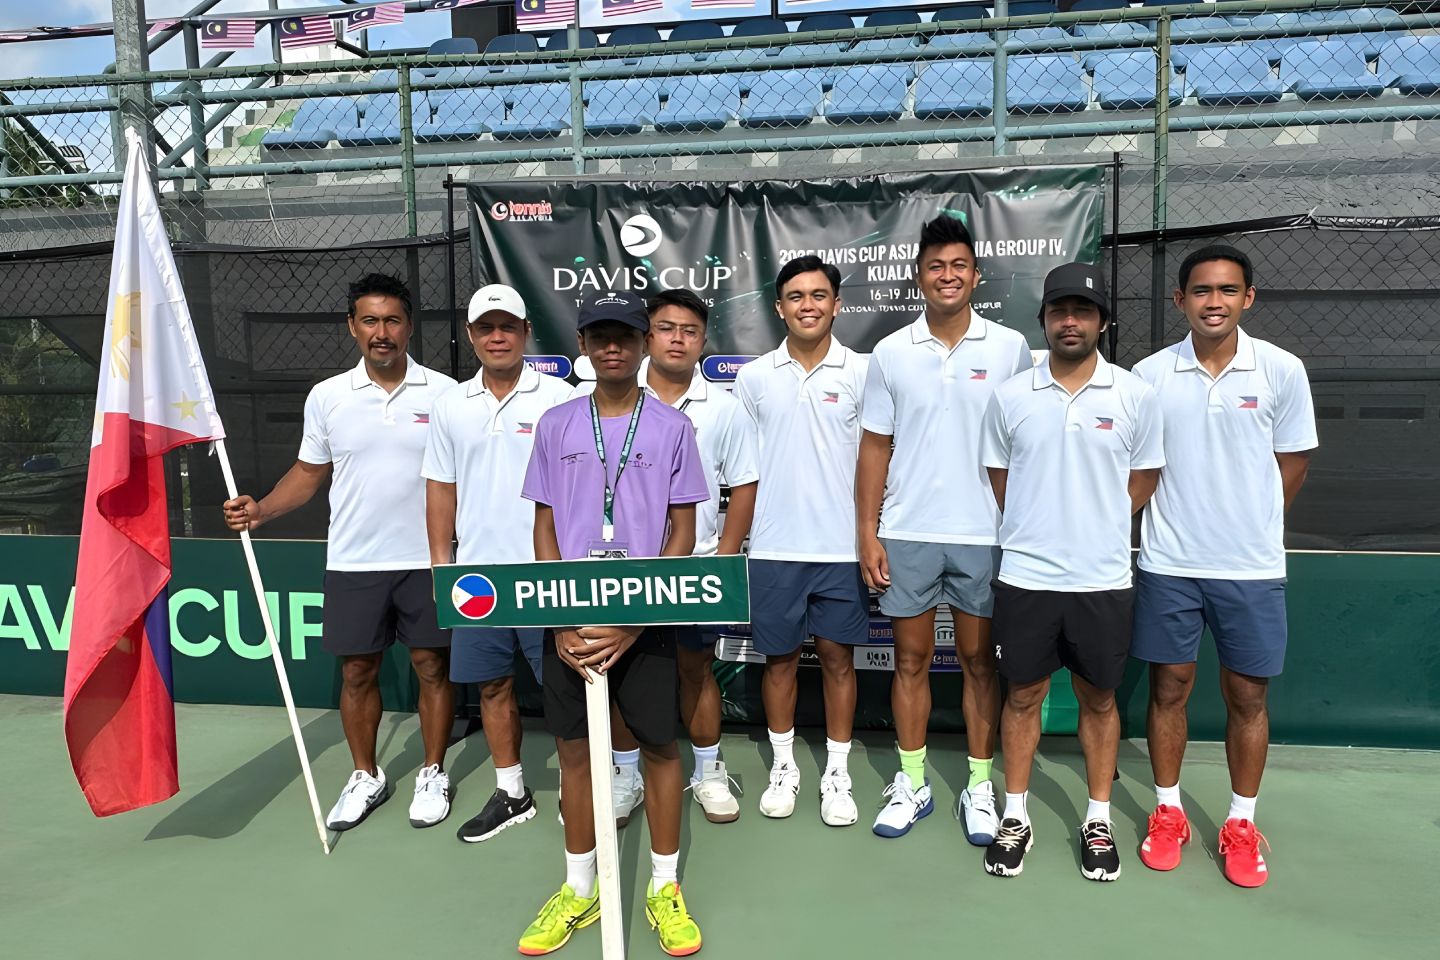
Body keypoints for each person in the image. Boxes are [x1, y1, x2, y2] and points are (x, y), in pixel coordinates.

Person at [222, 273, 458, 831]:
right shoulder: (327, 396)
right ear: (353, 327)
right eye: (370, 320)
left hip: (429, 560)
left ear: (410, 327)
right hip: (354, 561)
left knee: (432, 666)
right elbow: (308, 473)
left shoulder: (446, 393)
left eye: (393, 320)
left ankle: (432, 772)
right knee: (357, 673)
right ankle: (366, 775)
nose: (382, 332)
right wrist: (262, 510)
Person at [516, 291, 708, 958]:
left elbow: (682, 533)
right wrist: (561, 616)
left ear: (644, 342)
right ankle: (579, 888)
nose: (613, 347)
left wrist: (634, 620)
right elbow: (544, 526)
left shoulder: (673, 428)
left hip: (644, 620)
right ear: (583, 344)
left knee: (659, 748)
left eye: (625, 335)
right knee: (574, 752)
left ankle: (664, 886)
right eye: (600, 336)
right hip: (569, 622)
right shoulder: (556, 424)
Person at [1131, 245, 1317, 888]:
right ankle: (1168, 812)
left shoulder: (1282, 370)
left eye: (1228, 290)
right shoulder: (1149, 375)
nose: (1215, 302)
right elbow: (1140, 466)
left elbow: (1293, 462)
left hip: (1251, 569)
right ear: (1180, 300)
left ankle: (1241, 822)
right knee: (1169, 688)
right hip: (1168, 564)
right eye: (1202, 291)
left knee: (1247, 697)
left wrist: (1251, 523)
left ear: (1248, 298)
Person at [978, 262, 1164, 881]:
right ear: (1044, 320)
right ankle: (1015, 816)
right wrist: (1041, 526)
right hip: (1026, 577)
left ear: (1102, 321)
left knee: (1099, 699)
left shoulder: (1135, 395)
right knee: (1022, 696)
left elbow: (1144, 476)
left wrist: (1096, 522)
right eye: (1059, 310)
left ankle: (1098, 819)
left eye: (1083, 311)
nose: (1070, 321)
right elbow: (1000, 476)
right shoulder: (1010, 396)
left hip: (1101, 579)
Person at [858, 215, 1033, 841]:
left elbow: (1026, 442)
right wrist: (868, 532)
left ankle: (980, 787)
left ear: (976, 275)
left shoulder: (1010, 347)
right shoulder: (891, 352)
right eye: (936, 266)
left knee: (980, 663)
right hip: (908, 531)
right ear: (919, 277)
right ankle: (913, 782)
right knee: (909, 659)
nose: (948, 275)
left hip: (986, 534)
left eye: (959, 265)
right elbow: (874, 447)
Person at [578, 289, 759, 827]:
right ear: (646, 337)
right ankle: (626, 776)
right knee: (619, 670)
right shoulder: (603, 402)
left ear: (703, 341)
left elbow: (743, 484)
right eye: (666, 328)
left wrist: (723, 556)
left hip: (694, 566)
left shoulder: (724, 408)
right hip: (619, 568)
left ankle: (707, 771)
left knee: (696, 670)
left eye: (690, 331)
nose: (677, 339)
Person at [422, 284, 571, 843]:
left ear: (527, 332)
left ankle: (579, 787)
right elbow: (441, 487)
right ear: (470, 336)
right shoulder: (450, 406)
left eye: (508, 326)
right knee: (491, 686)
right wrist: (442, 565)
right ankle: (512, 792)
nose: (497, 336)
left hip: (546, 572)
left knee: (565, 689)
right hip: (476, 578)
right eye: (486, 328)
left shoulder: (560, 397)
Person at [734, 256, 870, 827]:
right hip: (773, 549)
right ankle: (784, 767)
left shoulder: (863, 372)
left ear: (836, 305)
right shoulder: (753, 378)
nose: (807, 305)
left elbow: (878, 461)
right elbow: (741, 468)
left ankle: (837, 773)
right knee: (780, 662)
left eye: (818, 295)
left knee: (839, 660)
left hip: (842, 550)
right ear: (779, 307)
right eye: (796, 296)